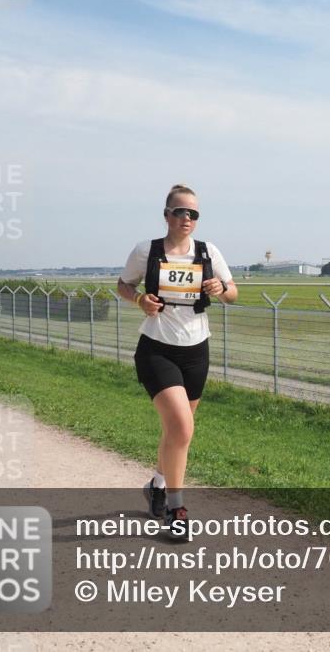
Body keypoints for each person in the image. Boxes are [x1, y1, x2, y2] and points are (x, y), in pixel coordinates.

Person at [116, 184, 237, 537]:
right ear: (167, 215)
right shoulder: (147, 251)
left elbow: (232, 291)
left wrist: (220, 289)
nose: (187, 218)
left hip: (196, 350)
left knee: (176, 433)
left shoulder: (207, 251)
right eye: (181, 211)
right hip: (157, 347)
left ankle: (156, 483)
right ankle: (176, 508)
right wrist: (139, 300)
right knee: (182, 428)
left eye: (193, 213)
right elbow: (123, 285)